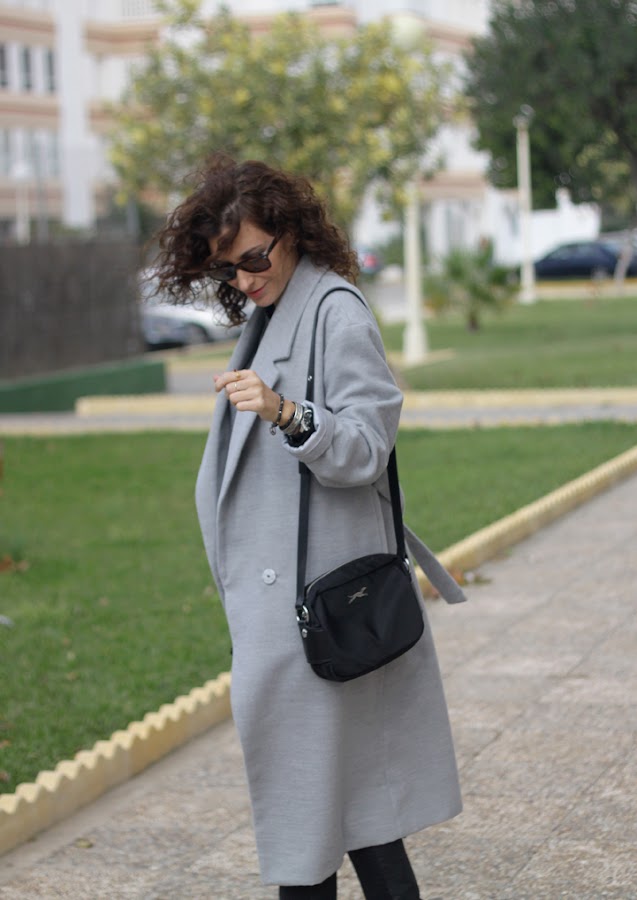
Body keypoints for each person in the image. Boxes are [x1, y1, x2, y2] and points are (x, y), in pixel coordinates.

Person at [153, 152, 465, 899]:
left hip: (315, 600)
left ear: (290, 232)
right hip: (296, 603)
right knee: (346, 810)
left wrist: (287, 413)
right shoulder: (273, 311)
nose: (243, 279)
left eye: (253, 258)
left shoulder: (335, 312)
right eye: (227, 268)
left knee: (309, 824)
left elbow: (366, 446)